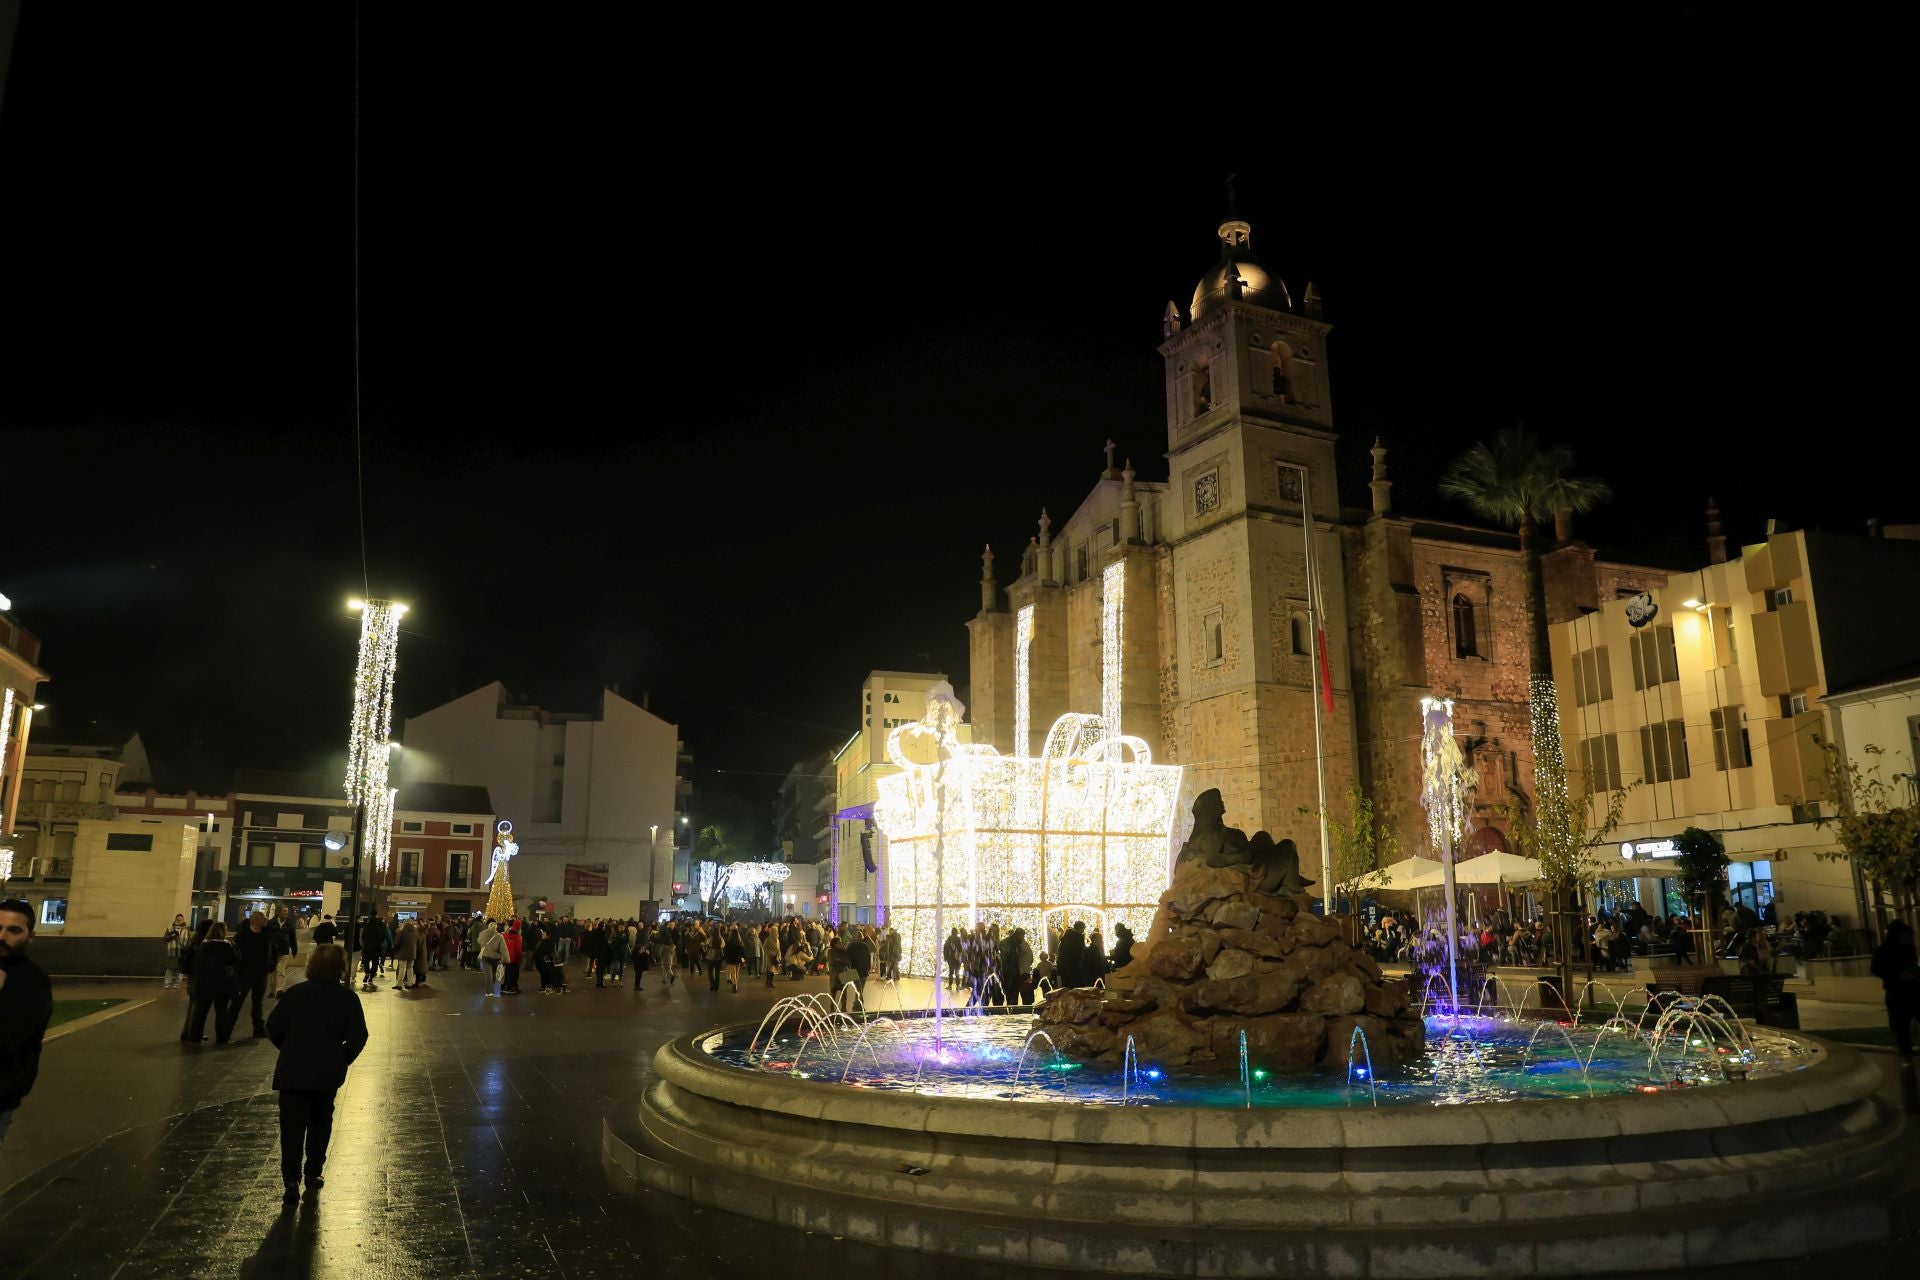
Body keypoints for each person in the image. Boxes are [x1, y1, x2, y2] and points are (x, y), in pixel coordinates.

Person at [265, 944, 367, 1205]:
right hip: (325, 1073)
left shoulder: (295, 994)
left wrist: (288, 1048)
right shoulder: (347, 998)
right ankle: (313, 1172)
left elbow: (273, 1026)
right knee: (320, 1123)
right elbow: (358, 1036)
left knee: (291, 1128)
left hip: (293, 1071)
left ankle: (290, 1180)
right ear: (340, 967)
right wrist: (341, 1059)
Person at [0, 899, 54, 1148]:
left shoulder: (32, 981)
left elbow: (5, 1038)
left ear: (30, 936)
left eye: (13, 930)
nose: (2, 937)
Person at [1870, 920, 1919, 1064]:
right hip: (1897, 993)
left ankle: (1907, 1055)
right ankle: (1906, 1056)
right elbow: (1876, 969)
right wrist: (1895, 975)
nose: (1906, 939)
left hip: (1914, 991)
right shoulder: (1884, 951)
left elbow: (1913, 965)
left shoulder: (1909, 948)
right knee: (1902, 1027)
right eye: (1903, 936)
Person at [185, 922, 242, 1043]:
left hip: (203, 983)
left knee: (201, 1012)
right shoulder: (227, 946)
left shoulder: (202, 946)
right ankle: (222, 1038)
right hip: (221, 984)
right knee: (221, 1013)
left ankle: (195, 1036)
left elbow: (194, 963)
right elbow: (236, 961)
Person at [233, 911, 276, 1036]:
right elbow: (236, 953)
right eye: (263, 919)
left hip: (261, 973)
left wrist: (271, 965)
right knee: (237, 1002)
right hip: (245, 973)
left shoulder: (268, 934)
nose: (265, 921)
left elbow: (273, 950)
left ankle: (258, 1029)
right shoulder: (242, 935)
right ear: (255, 920)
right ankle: (225, 1031)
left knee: (257, 1002)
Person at [357, 914, 388, 990]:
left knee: (366, 962)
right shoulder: (379, 927)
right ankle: (371, 976)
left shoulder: (366, 926)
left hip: (367, 947)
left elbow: (363, 936)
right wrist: (379, 943)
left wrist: (365, 944)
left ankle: (367, 973)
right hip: (376, 948)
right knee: (375, 963)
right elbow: (383, 936)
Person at [162, 913, 192, 990]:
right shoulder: (170, 928)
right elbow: (165, 938)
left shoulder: (186, 929)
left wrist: (187, 949)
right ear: (175, 920)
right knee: (169, 968)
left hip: (182, 951)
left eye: (180, 920)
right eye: (178, 920)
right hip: (172, 951)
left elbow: (189, 940)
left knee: (180, 969)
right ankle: (167, 983)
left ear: (183, 920)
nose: (179, 921)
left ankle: (177, 984)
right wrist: (172, 935)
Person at [477, 920, 506, 996]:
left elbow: (479, 941)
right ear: (496, 928)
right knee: (493, 972)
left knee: (488, 975)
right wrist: (505, 957)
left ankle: (488, 991)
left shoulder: (483, 934)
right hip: (496, 957)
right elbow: (503, 948)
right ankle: (492, 986)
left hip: (486, 956)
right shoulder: (499, 936)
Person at [845, 927, 871, 1008]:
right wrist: (868, 967)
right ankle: (859, 1004)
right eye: (858, 936)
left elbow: (847, 958)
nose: (859, 938)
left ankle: (857, 1003)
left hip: (857, 970)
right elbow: (868, 957)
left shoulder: (851, 946)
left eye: (859, 936)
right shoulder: (862, 946)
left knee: (859, 989)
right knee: (859, 988)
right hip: (860, 970)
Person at [501, 920, 523, 994]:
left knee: (507, 973)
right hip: (514, 958)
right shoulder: (517, 936)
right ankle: (511, 988)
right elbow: (518, 949)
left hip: (507, 957)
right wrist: (520, 958)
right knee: (514, 974)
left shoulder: (506, 934)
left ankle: (505, 986)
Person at [723, 925, 746, 994]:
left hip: (731, 958)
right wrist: (744, 958)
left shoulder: (728, 941)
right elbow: (743, 951)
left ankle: (734, 985)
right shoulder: (740, 941)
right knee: (737, 972)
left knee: (733, 972)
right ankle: (736, 984)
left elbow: (725, 951)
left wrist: (725, 958)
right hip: (738, 959)